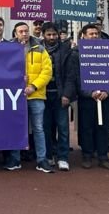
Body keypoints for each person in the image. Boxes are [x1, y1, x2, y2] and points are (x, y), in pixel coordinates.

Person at [8, 22, 53, 173]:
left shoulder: (40, 48)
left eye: (26, 31)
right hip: (15, 96)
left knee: (38, 128)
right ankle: (15, 159)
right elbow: (3, 69)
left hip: (36, 95)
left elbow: (47, 71)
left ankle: (42, 160)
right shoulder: (8, 49)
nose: (24, 34)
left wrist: (33, 86)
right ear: (15, 34)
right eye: (21, 31)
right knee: (16, 127)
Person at [41, 22, 78, 171]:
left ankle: (63, 157)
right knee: (45, 127)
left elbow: (71, 75)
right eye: (48, 34)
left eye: (54, 34)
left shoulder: (66, 50)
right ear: (43, 35)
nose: (52, 37)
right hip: (42, 95)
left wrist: (66, 95)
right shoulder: (37, 49)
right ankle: (48, 155)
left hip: (60, 94)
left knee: (63, 128)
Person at [77, 23, 109, 170]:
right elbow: (76, 77)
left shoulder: (107, 51)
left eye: (96, 34)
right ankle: (87, 155)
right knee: (86, 127)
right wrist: (89, 92)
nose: (94, 36)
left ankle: (103, 156)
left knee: (103, 128)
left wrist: (107, 92)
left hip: (104, 98)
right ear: (84, 36)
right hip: (87, 99)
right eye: (91, 34)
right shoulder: (78, 53)